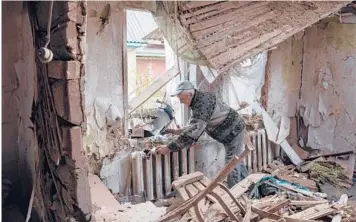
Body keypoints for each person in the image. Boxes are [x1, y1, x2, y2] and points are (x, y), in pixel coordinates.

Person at [155, 80, 248, 188]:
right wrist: (179, 131)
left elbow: (193, 131)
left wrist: (168, 148)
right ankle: (247, 188)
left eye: (182, 99)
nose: (181, 102)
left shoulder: (201, 104)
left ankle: (235, 195)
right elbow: (197, 124)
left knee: (231, 165)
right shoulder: (199, 100)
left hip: (233, 131)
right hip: (234, 129)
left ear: (190, 94)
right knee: (237, 161)